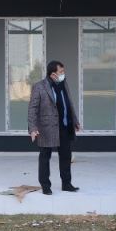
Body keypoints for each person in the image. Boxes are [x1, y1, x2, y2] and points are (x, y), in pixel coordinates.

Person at [27, 60, 82, 195]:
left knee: (66, 156)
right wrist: (33, 128)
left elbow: (69, 104)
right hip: (47, 128)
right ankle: (45, 186)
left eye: (63, 71)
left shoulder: (64, 84)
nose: (63, 74)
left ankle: (66, 184)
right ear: (53, 74)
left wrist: (75, 121)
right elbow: (32, 109)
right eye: (61, 72)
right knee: (45, 157)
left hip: (65, 127)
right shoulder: (39, 87)